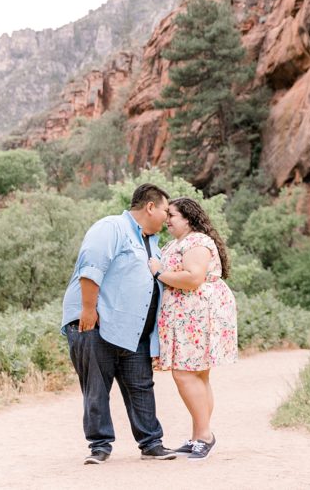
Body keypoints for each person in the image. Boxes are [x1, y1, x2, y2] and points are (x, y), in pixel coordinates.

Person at [60, 183, 179, 465]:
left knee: (141, 385)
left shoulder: (151, 243)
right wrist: (88, 310)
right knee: (96, 387)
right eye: (165, 210)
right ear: (150, 207)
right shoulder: (111, 227)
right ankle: (99, 446)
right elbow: (91, 267)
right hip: (97, 325)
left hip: (134, 332)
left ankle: (151, 443)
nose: (167, 217)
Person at [148, 197, 238, 462]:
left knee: (184, 374)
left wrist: (158, 273)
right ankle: (198, 435)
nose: (167, 221)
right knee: (198, 376)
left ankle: (205, 436)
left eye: (172, 216)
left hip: (197, 313)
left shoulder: (197, 241)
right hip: (188, 314)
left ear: (187, 218)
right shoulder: (178, 242)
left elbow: (193, 278)